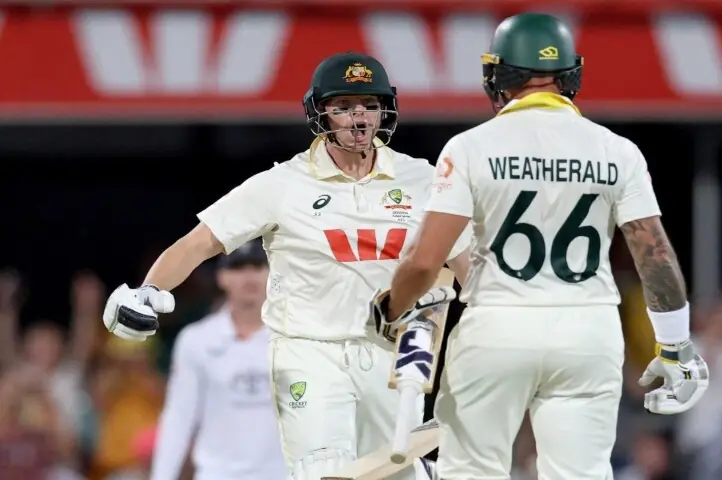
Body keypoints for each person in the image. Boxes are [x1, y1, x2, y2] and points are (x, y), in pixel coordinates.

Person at [101, 51, 472, 480]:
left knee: (392, 473)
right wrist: (149, 291)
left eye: (369, 105)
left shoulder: (422, 179)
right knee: (324, 471)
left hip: (390, 350)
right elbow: (200, 242)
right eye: (344, 107)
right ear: (320, 112)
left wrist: (502, 327)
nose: (359, 118)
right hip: (308, 350)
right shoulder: (282, 184)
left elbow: (466, 264)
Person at [375, 13, 709, 480]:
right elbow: (654, 255)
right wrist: (675, 345)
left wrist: (391, 310)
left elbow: (425, 260)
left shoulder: (470, 147)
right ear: (570, 74)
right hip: (588, 331)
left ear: (499, 73)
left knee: (471, 471)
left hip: (499, 326)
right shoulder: (617, 151)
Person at [151, 239, 286, 480]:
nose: (249, 277)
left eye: (257, 266)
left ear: (272, 273)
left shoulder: (294, 336)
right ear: (222, 277)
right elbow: (179, 416)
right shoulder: (197, 340)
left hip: (282, 473)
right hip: (217, 473)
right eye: (238, 267)